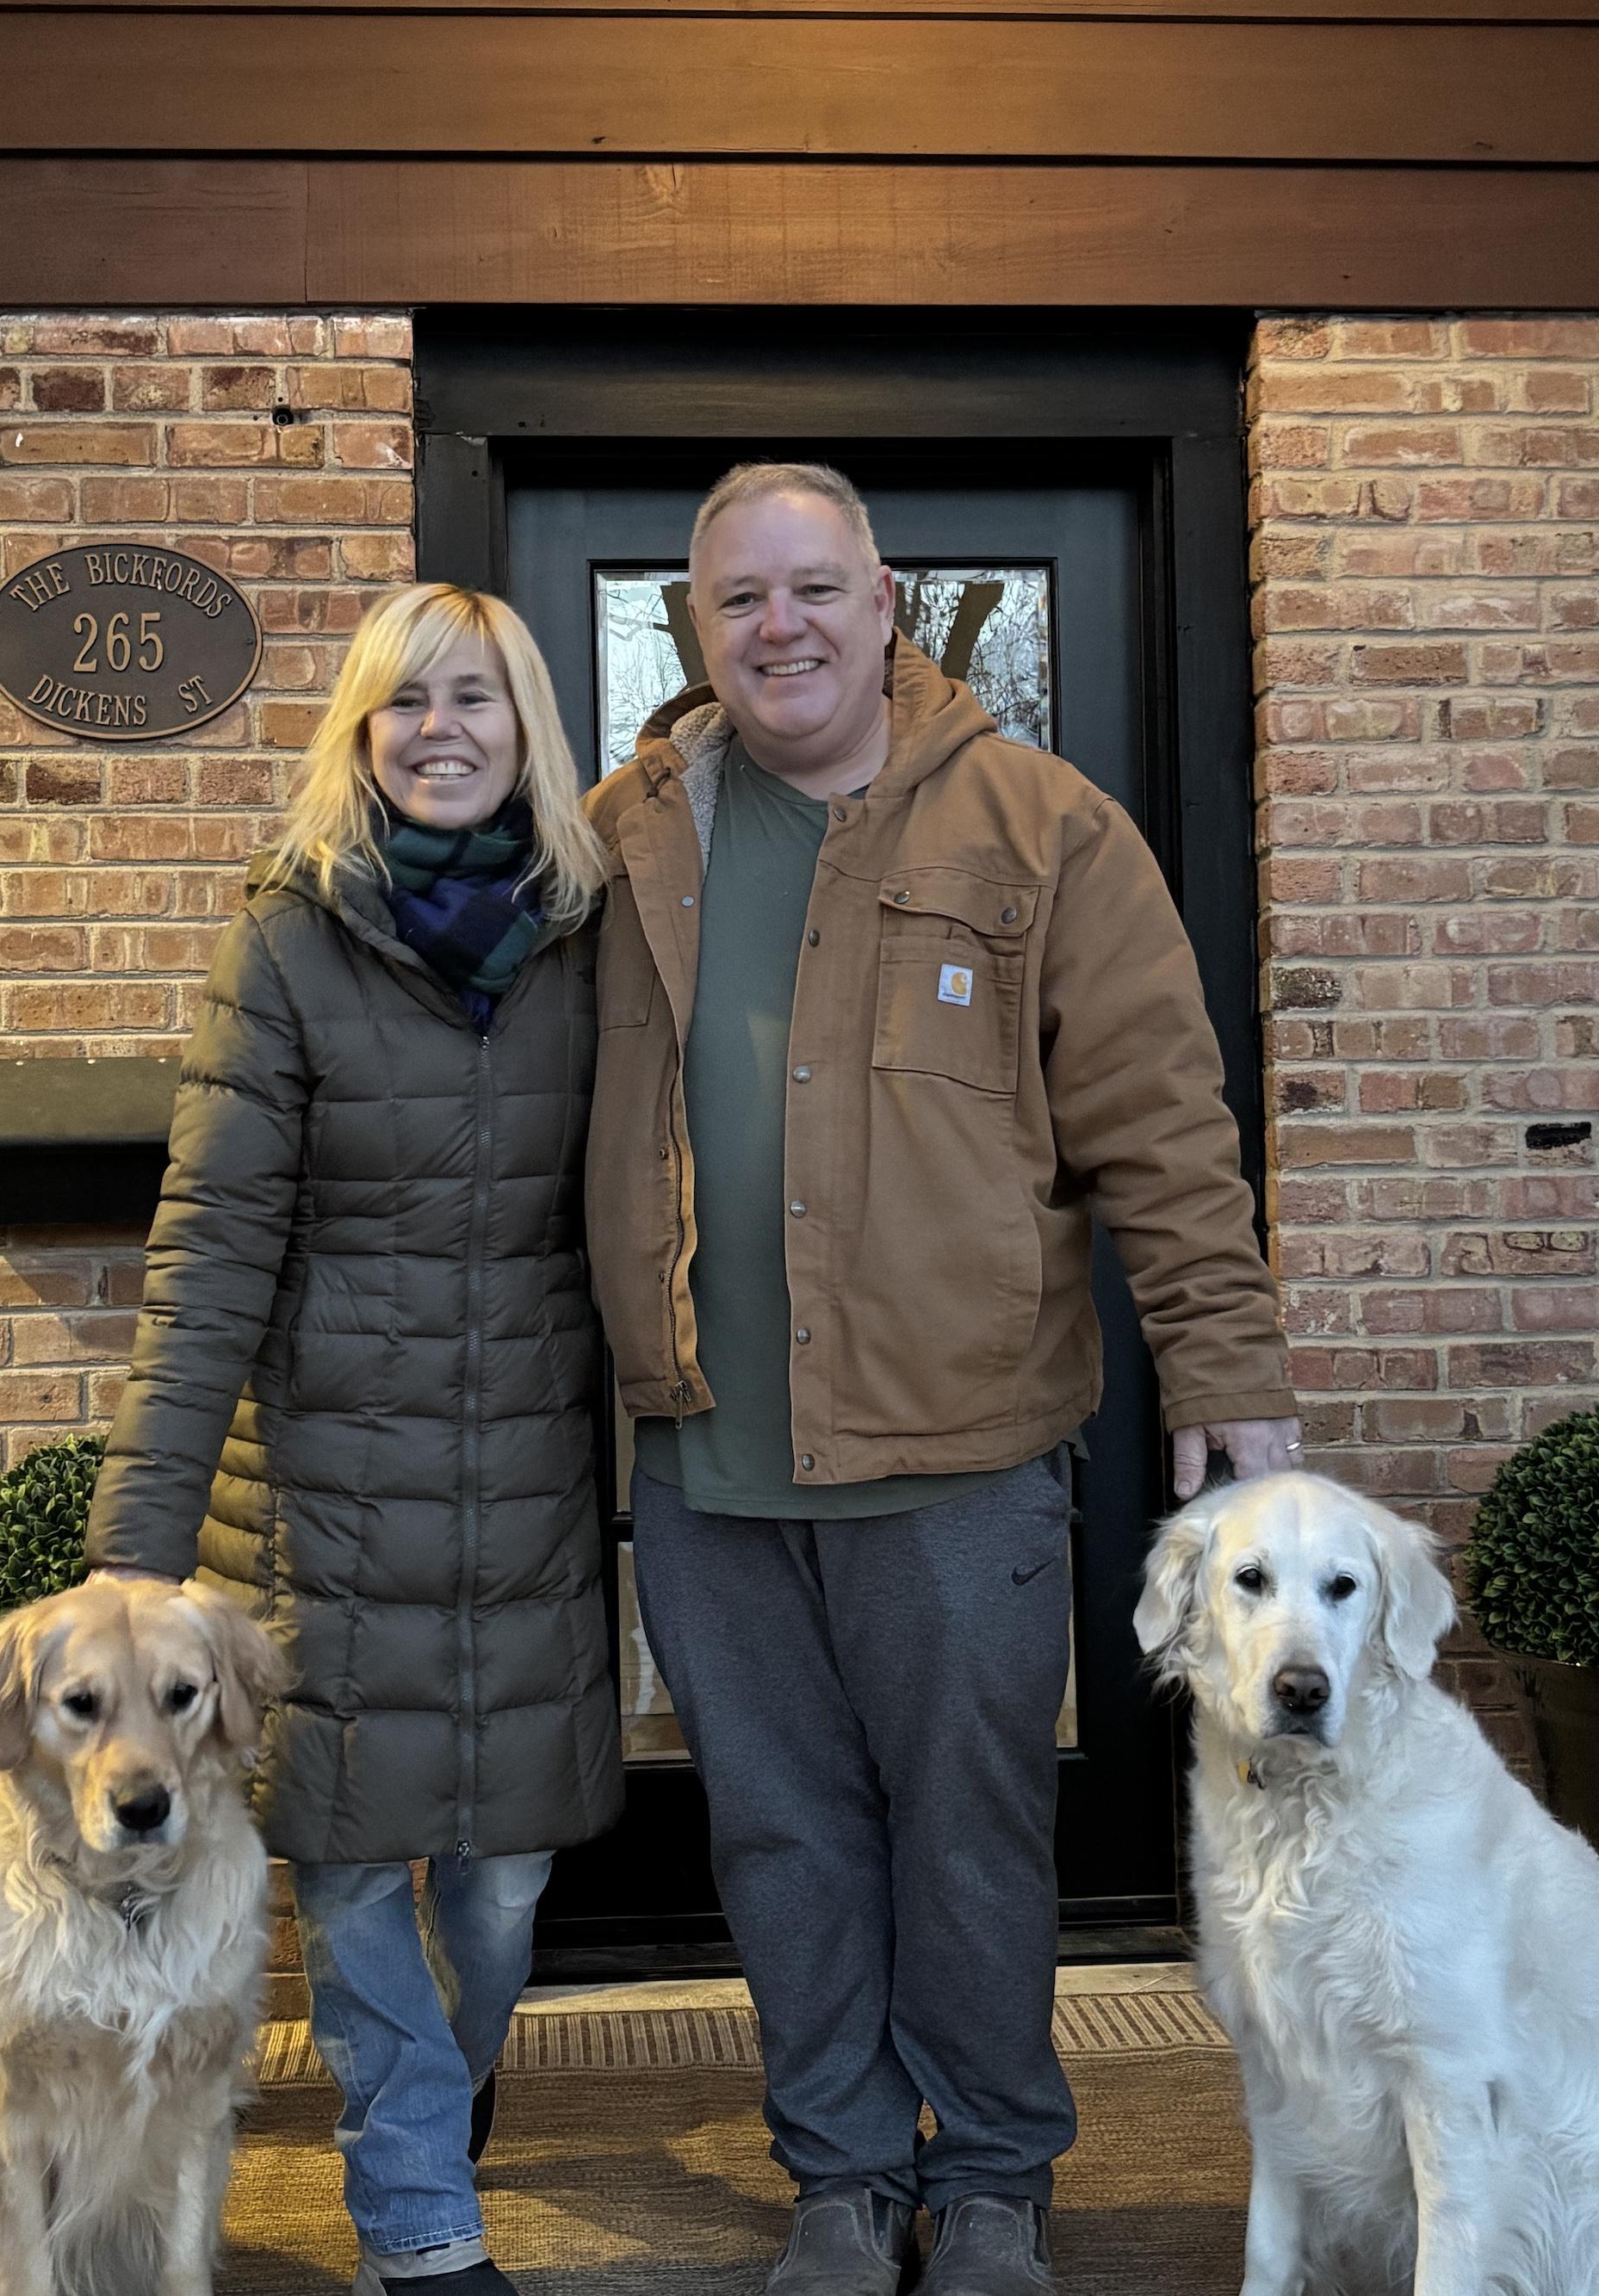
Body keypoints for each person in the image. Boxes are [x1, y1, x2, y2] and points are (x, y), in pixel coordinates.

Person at [582, 465, 1301, 2296]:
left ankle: (989, 2179)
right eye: (739, 599)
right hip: (703, 1459)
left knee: (970, 1842)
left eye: (813, 588)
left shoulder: (1040, 822)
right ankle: (839, 2173)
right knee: (781, 1839)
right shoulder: (622, 834)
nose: (780, 628)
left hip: (960, 1451)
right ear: (695, 625)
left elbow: (1160, 1113)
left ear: (885, 598)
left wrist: (1222, 1352)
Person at [84, 582, 623, 2296]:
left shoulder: (594, 932)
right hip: (318, 1498)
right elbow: (211, 1248)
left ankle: (438, 2085)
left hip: (529, 1485)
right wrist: (134, 1548)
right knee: (347, 1862)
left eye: (476, 698)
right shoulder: (292, 934)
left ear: (528, 727)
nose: (440, 729)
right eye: (404, 703)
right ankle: (418, 2213)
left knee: (505, 1875)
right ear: (361, 736)